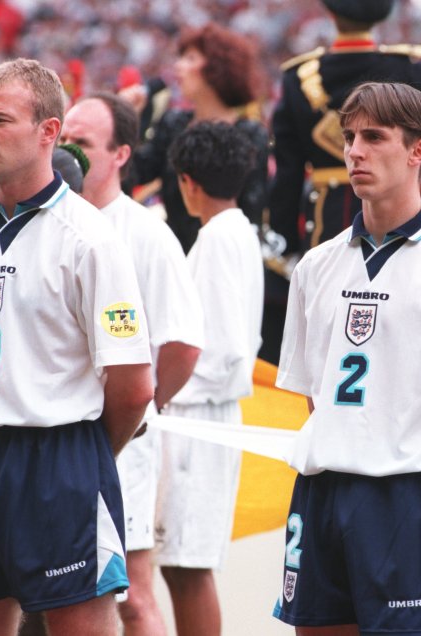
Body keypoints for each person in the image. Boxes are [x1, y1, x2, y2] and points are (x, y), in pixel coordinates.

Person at [0, 58, 154, 636]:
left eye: (0, 119)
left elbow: (134, 385)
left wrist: (85, 459)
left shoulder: (92, 239)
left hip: (58, 459)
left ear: (49, 131)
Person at [272, 81, 421, 635]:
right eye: (350, 136)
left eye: (374, 137)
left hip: (415, 498)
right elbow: (317, 395)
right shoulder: (316, 267)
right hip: (324, 491)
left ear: (418, 151)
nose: (354, 150)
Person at [263, 0, 421, 365]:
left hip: (324, 215)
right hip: (398, 214)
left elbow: (287, 173)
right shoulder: (401, 70)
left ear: (330, 14)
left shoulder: (299, 77)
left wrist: (284, 242)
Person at [61, 93, 205, 636]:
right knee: (46, 589)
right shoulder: (47, 220)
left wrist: (140, 408)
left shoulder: (144, 233)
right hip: (50, 436)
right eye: (64, 138)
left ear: (121, 154)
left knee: (130, 595)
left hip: (120, 440)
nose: (68, 152)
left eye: (85, 143)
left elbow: (184, 344)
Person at [158, 120, 264, 636]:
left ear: (187, 181)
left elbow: (224, 351)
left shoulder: (221, 238)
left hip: (200, 415)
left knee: (188, 563)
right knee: (179, 563)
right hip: (202, 412)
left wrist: (163, 394)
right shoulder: (234, 232)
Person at [125, 22, 269, 254]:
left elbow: (253, 212)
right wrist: (132, 120)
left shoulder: (251, 135)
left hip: (225, 257)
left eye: (190, 58)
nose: (178, 66)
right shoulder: (173, 124)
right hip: (173, 258)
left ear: (218, 67)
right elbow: (132, 173)